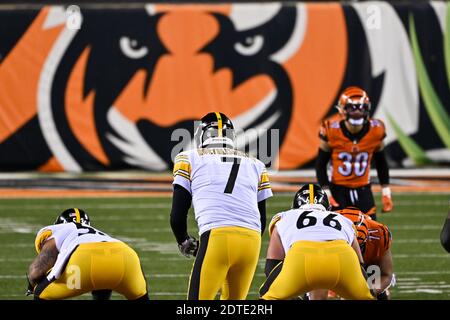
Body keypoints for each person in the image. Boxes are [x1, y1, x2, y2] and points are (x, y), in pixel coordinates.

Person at [170, 111, 272, 300]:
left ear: (201, 134)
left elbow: (177, 215)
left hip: (217, 236)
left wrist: (183, 240)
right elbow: (261, 219)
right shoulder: (257, 164)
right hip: (251, 240)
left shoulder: (188, 158)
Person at [260, 184, 374, 300]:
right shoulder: (344, 220)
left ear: (294, 206)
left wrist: (290, 292)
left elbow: (272, 266)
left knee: (266, 295)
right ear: (327, 207)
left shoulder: (284, 217)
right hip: (343, 256)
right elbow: (360, 264)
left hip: (301, 255)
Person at [26, 208, 149, 300]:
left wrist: (31, 286)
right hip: (125, 253)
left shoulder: (57, 231)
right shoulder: (98, 234)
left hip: (83, 258)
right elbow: (102, 273)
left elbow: (36, 272)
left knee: (41, 293)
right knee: (139, 294)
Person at [315, 86, 393, 220]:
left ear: (367, 109)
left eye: (361, 108)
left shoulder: (376, 130)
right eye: (352, 108)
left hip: (364, 190)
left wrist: (386, 192)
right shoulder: (331, 130)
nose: (357, 112)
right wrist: (327, 192)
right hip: (338, 190)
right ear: (342, 109)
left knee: (369, 233)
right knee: (337, 234)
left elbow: (381, 162)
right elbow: (320, 164)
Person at [311, 206, 394, 300]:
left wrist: (369, 291)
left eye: (359, 246)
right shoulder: (320, 235)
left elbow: (386, 274)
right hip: (330, 262)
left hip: (367, 265)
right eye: (351, 246)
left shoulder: (379, 234)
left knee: (379, 294)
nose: (355, 250)